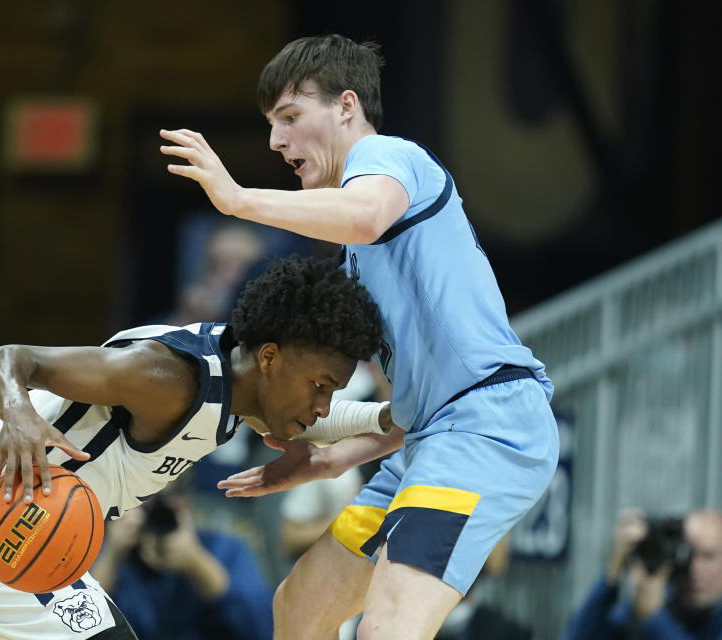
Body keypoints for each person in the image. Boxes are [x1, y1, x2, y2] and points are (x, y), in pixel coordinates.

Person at [161, 33, 560, 640]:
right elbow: (413, 409)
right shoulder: (355, 251)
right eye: (272, 124)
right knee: (301, 607)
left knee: (389, 630)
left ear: (347, 106)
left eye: (291, 117)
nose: (276, 140)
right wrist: (334, 458)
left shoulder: (391, 159)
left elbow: (368, 213)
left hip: (488, 431)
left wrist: (237, 200)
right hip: (427, 446)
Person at [0, 254, 386, 639]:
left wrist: (393, 420)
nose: (323, 405)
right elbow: (8, 360)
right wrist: (19, 418)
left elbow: (326, 423)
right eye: (320, 386)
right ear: (271, 358)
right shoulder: (168, 378)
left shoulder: (240, 381)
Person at [91, 489, 273, 640]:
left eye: (162, 502)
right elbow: (77, 625)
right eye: (143, 502)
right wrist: (112, 555)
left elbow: (264, 630)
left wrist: (197, 564)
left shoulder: (225, 548)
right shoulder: (114, 556)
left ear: (184, 505)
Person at [563, 507, 722, 639]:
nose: (694, 569)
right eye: (686, 555)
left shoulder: (654, 614)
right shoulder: (646, 611)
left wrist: (655, 618)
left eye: (708, 557)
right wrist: (611, 576)